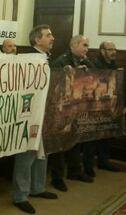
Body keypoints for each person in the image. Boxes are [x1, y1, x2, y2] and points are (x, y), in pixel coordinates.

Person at [12, 24, 57, 214]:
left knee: (42, 152)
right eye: (48, 35)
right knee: (27, 153)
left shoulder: (47, 57)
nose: (52, 38)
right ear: (37, 40)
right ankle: (20, 196)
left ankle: (38, 188)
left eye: (51, 34)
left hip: (45, 111)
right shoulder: (27, 57)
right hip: (29, 113)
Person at [51, 35, 95, 184]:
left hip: (76, 107)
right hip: (62, 108)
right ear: (74, 45)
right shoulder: (61, 60)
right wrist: (75, 72)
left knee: (75, 139)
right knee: (60, 143)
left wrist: (86, 71)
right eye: (84, 45)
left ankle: (75, 171)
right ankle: (57, 177)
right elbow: (55, 83)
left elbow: (95, 75)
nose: (87, 49)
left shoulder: (85, 60)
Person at [82, 41, 120, 174]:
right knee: (91, 137)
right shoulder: (94, 64)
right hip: (94, 104)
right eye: (110, 49)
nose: (113, 52)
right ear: (102, 51)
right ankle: (88, 166)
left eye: (114, 49)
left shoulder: (114, 65)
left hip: (109, 104)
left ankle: (104, 162)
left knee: (106, 134)